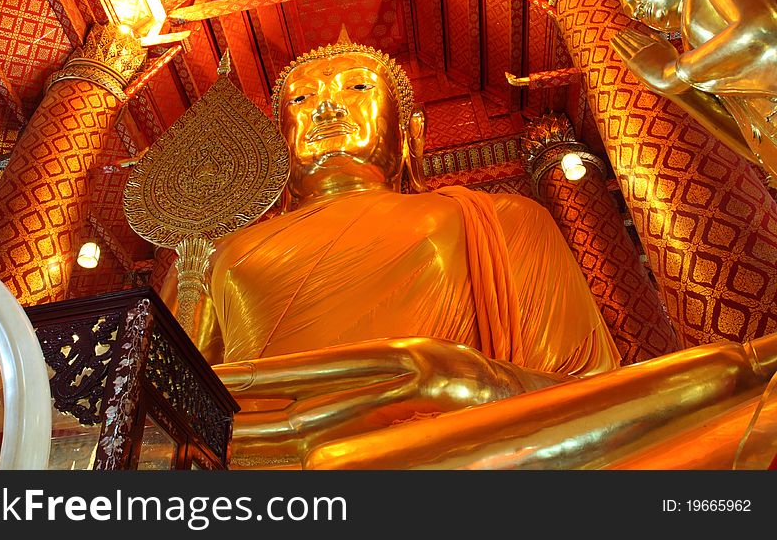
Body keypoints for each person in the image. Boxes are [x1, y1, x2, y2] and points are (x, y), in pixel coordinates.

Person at [182, 41, 621, 467]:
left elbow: (595, 400)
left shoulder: (504, 218)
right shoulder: (219, 255)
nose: (327, 107)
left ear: (412, 131)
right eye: (301, 98)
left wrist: (477, 386)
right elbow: (167, 415)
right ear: (275, 147)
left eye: (357, 88)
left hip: (456, 462)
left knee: (690, 380)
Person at [611, 0, 777, 180]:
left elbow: (762, 30)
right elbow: (754, 148)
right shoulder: (697, 55)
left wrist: (674, 72)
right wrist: (681, 93)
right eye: (633, 15)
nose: (637, 10)